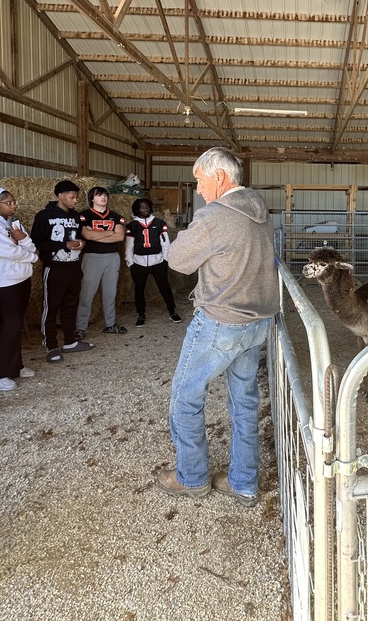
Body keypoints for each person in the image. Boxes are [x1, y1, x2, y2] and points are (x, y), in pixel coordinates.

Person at [155, 148, 279, 508]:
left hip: (222, 321)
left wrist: (182, 235)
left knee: (185, 395)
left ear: (220, 178)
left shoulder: (214, 216)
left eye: (199, 180)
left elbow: (177, 260)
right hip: (257, 320)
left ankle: (191, 477)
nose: (197, 188)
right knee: (244, 400)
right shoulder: (258, 207)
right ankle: (243, 481)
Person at [31, 180, 95, 363]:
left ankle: (70, 341)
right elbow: (37, 242)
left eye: (77, 197)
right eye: (72, 197)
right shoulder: (44, 216)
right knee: (51, 307)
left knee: (70, 305)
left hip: (73, 267)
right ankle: (51, 345)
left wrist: (82, 244)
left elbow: (80, 237)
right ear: (60, 195)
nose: (75, 201)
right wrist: (63, 245)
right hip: (55, 268)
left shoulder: (76, 217)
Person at [0, 187, 38, 391]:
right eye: (8, 203)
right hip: (6, 280)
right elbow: (5, 250)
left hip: (23, 277)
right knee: (11, 325)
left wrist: (24, 242)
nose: (13, 206)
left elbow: (27, 244)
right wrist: (31, 257)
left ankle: (15, 366)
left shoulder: (14, 222)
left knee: (16, 326)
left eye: (14, 202)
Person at [75, 186, 127, 336]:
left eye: (104, 195)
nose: (103, 198)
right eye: (99, 195)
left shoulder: (116, 216)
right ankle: (80, 327)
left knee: (110, 292)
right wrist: (109, 232)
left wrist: (97, 234)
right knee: (87, 293)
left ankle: (110, 324)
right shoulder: (84, 215)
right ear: (92, 198)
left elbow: (119, 237)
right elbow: (87, 236)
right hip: (92, 257)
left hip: (112, 257)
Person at [124, 197, 181, 327]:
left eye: (147, 206)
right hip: (138, 263)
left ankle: (172, 311)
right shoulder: (132, 226)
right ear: (136, 209)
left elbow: (166, 244)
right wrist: (130, 263)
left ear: (150, 207)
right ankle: (141, 314)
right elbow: (129, 246)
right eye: (141, 207)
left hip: (158, 261)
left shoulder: (159, 223)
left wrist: (165, 259)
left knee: (165, 287)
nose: (145, 209)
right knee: (139, 289)